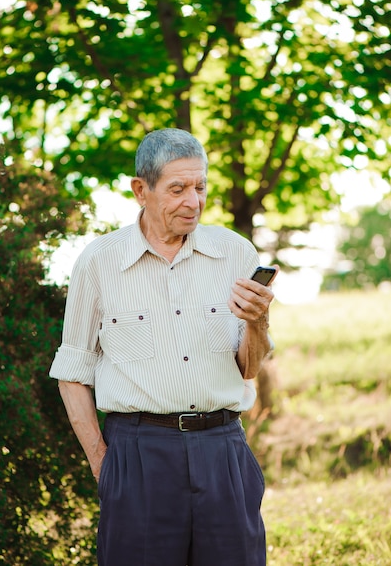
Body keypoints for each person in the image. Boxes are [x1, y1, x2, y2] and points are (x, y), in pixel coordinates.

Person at [49, 128, 278, 566]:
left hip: (223, 451)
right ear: (141, 190)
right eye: (177, 189)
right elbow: (73, 373)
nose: (193, 202)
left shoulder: (235, 252)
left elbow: (249, 368)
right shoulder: (99, 262)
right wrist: (103, 464)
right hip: (138, 455)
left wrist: (258, 321)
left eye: (200, 187)